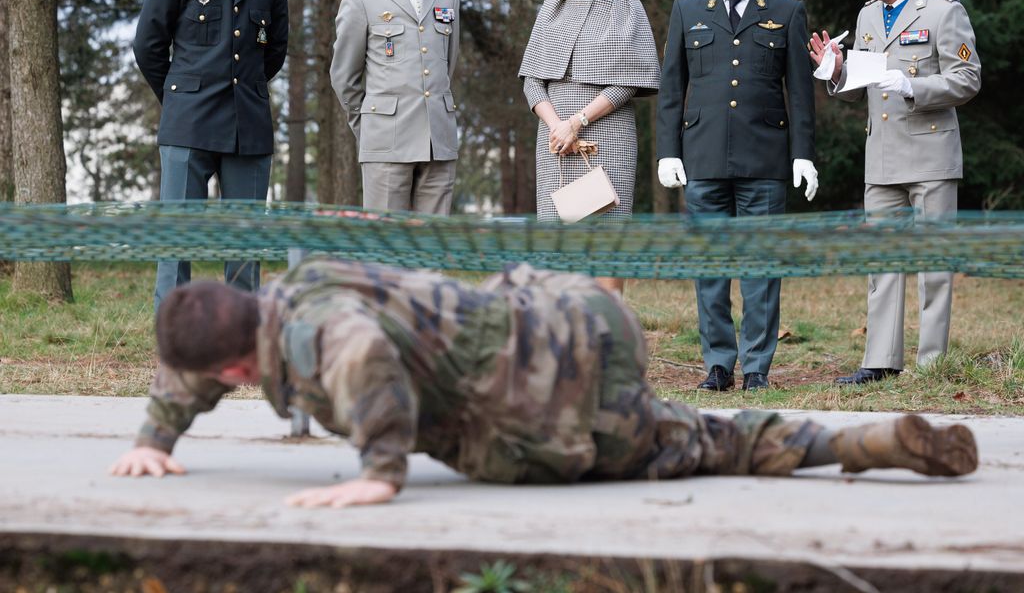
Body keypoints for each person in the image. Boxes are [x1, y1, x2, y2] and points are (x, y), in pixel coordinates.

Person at [110, 256, 978, 508]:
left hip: (541, 416)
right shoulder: (289, 289)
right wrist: (155, 436)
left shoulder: (310, 333)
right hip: (572, 312)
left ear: (235, 368)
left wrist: (378, 474)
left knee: (710, 442)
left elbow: (362, 358)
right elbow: (191, 354)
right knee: (695, 430)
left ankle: (841, 445)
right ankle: (866, 442)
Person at [809, 0, 981, 385]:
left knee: (933, 265)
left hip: (930, 154)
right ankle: (882, 360)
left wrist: (915, 85)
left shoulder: (942, 12)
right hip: (882, 157)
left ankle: (931, 364)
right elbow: (859, 85)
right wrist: (835, 71)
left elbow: (968, 79)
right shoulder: (867, 16)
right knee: (880, 263)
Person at [656, 0, 818, 392]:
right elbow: (672, 88)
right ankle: (719, 364)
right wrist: (668, 151)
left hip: (765, 159)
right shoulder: (688, 10)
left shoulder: (785, 11)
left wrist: (802, 154)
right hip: (702, 157)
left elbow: (801, 92)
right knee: (709, 267)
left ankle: (758, 368)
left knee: (761, 268)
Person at [133, 0, 289, 311]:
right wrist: (181, 96)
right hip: (189, 125)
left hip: (248, 125)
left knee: (244, 243)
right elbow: (148, 44)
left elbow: (273, 50)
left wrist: (247, 92)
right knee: (177, 240)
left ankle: (240, 341)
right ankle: (177, 341)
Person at [518, 0, 661, 295]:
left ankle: (608, 332)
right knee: (557, 232)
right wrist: (556, 125)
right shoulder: (551, 8)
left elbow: (630, 79)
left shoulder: (626, 9)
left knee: (607, 235)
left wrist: (578, 121)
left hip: (607, 136)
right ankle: (564, 333)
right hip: (555, 142)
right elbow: (532, 79)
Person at [330, 0, 460, 214]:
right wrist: (372, 126)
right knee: (387, 246)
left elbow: (448, 62)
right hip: (385, 143)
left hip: (437, 141)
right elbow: (344, 76)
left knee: (432, 245)